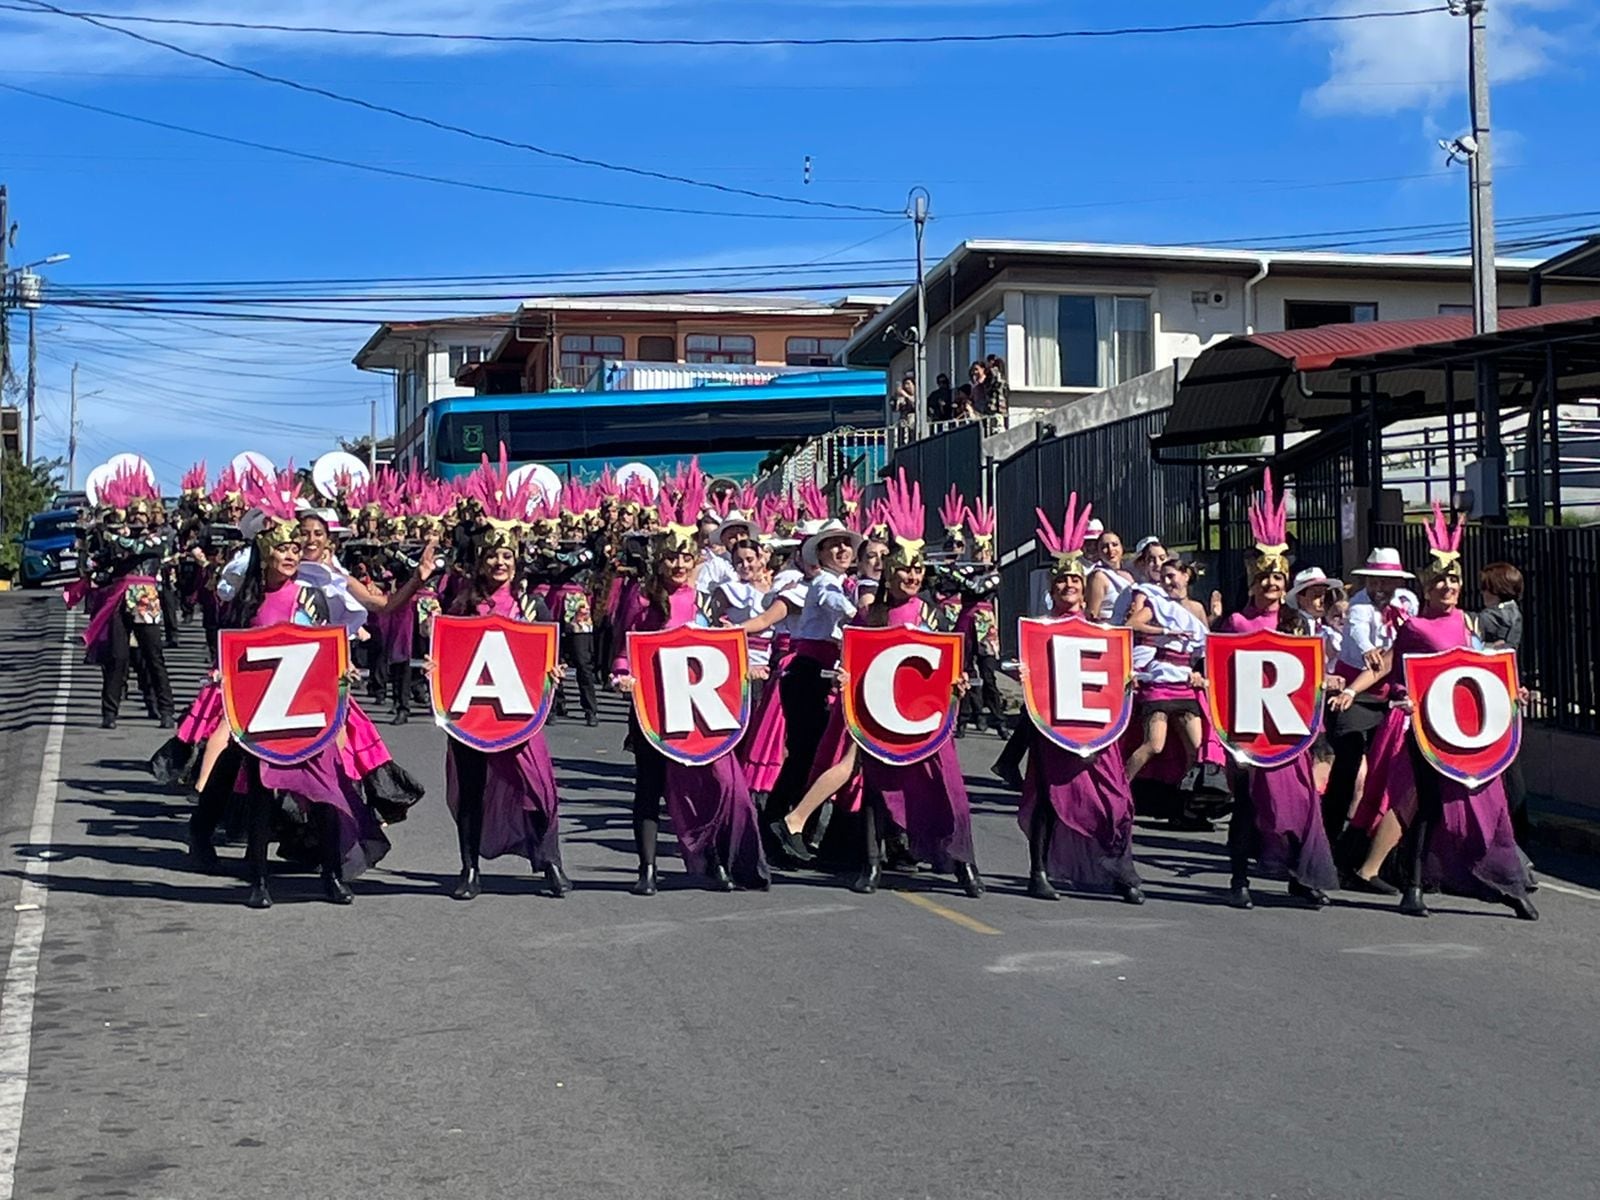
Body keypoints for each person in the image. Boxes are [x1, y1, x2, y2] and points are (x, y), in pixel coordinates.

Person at [1331, 510, 1536, 921]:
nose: (1448, 586)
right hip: (1425, 728)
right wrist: (1369, 692)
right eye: (1440, 579)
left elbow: (1482, 667)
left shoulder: (1467, 622)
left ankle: (1506, 882)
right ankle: (1413, 887)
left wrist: (1514, 690)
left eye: (1454, 579)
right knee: (1420, 805)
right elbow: (1392, 667)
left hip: (1468, 731)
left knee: (1488, 806)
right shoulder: (1415, 627)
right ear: (1426, 585)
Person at [611, 470, 770, 895]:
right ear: (659, 559)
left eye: (686, 557)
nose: (679, 565)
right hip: (653, 705)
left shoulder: (701, 596)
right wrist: (623, 675)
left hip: (697, 707)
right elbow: (626, 648)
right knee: (649, 786)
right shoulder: (640, 598)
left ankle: (715, 861)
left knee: (708, 784)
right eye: (672, 558)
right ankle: (647, 870)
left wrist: (742, 670)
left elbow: (710, 650)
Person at [439, 475, 569, 902]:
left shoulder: (534, 606)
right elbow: (447, 653)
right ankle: (469, 869)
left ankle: (549, 861)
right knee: (472, 792)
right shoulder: (460, 606)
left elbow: (547, 655)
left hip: (519, 711)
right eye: (493, 556)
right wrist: (433, 669)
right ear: (480, 561)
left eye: (507, 556)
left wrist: (555, 673)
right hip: (471, 713)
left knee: (539, 786)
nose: (501, 564)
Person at [1213, 471, 1340, 910]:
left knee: (1301, 805)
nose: (1272, 585)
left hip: (1290, 730)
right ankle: (1239, 878)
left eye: (1278, 579)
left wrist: (1328, 691)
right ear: (1253, 580)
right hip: (1248, 729)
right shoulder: (1235, 623)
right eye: (1266, 578)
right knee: (1248, 806)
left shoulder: (1298, 624)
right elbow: (1216, 671)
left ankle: (1301, 876)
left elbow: (1311, 675)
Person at [1018, 496, 1144, 903]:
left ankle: (1119, 867)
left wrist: (1127, 680)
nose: (1069, 586)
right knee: (1051, 799)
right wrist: (1022, 673)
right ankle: (1038, 871)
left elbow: (1111, 673)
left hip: (1097, 725)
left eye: (1074, 581)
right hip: (1054, 725)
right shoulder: (1040, 628)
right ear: (1052, 588)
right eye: (1062, 582)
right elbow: (1034, 671)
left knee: (1116, 799)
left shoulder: (1101, 631)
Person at [1323, 549, 1414, 857]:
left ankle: (1370, 841)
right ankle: (1328, 837)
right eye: (1376, 580)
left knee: (1390, 769)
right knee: (1348, 764)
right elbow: (1359, 630)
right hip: (1355, 692)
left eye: (1387, 582)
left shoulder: (1404, 605)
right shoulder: (1360, 605)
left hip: (1389, 695)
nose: (1381, 588)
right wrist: (1368, 649)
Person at [1476, 562, 1529, 846]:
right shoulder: (1515, 614)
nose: (1482, 591)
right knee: (1510, 759)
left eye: (1486, 586)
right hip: (1508, 687)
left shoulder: (1489, 618)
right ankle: (1519, 826)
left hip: (1489, 688)